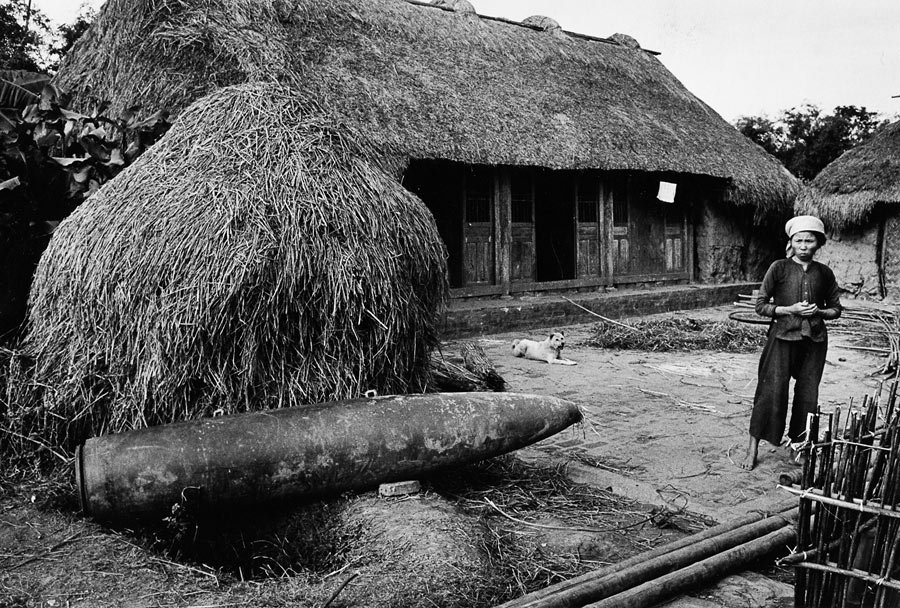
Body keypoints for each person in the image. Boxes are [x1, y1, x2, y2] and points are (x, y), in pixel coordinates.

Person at [741, 215, 842, 471]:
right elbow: (761, 306)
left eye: (810, 241)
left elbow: (836, 309)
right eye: (799, 240)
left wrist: (818, 312)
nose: (804, 245)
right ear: (791, 242)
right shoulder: (779, 268)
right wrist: (789, 309)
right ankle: (752, 450)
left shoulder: (824, 273)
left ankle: (800, 448)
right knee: (771, 393)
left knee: (808, 396)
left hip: (814, 341)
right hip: (782, 338)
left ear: (818, 244)